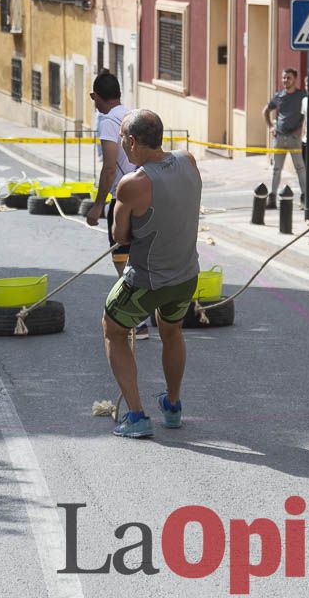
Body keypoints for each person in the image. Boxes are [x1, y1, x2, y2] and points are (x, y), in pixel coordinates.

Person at [102, 109, 203, 439]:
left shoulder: (133, 184)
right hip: (186, 277)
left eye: (122, 142)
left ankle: (136, 415)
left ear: (132, 142)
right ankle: (172, 407)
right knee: (171, 330)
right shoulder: (188, 160)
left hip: (148, 281)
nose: (122, 148)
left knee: (113, 327)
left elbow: (120, 236)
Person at [84, 71, 147, 340]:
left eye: (94, 98)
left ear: (96, 96)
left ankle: (138, 321)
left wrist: (98, 205)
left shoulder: (109, 121)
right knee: (141, 258)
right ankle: (146, 313)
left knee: (122, 260)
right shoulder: (136, 116)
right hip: (146, 195)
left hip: (123, 199)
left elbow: (109, 167)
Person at [263, 68, 307, 208]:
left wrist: (302, 129)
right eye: (283, 78)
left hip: (294, 137)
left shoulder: (302, 95)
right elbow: (266, 111)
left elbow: (307, 114)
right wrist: (270, 126)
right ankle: (272, 198)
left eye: (288, 78)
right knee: (276, 169)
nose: (285, 80)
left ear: (294, 79)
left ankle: (304, 197)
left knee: (300, 168)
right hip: (280, 137)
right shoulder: (279, 96)